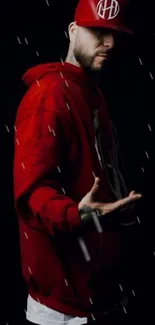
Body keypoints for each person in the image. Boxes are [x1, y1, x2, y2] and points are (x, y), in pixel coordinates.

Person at [13, 0, 143, 324]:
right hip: (64, 313)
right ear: (72, 31)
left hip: (103, 299)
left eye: (114, 34)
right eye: (98, 31)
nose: (110, 43)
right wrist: (76, 214)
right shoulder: (49, 96)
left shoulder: (91, 93)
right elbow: (32, 194)